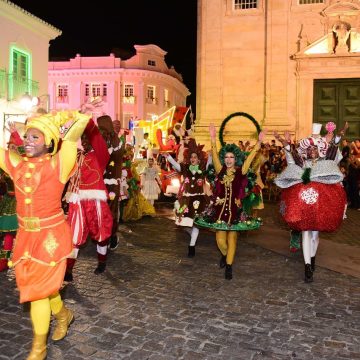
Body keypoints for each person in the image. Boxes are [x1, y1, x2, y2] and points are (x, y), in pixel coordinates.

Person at [0, 100, 98, 360]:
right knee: (41, 288)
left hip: (50, 237)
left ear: (49, 141)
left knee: (37, 294)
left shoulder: (59, 164)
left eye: (35, 136)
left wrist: (82, 115)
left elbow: (72, 138)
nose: (28, 140)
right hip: (26, 237)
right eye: (26, 136)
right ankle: (65, 315)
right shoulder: (16, 164)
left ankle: (38, 349)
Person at [274, 122, 348, 283]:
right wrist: (285, 143)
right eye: (309, 149)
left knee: (315, 235)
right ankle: (307, 265)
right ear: (306, 152)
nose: (312, 151)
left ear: (320, 150)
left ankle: (312, 258)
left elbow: (334, 151)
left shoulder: (326, 163)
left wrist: (338, 136)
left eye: (315, 149)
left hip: (321, 206)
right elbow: (291, 159)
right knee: (306, 232)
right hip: (304, 206)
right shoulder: (302, 164)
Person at [195, 124, 263, 280]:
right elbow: (215, 153)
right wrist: (212, 138)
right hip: (219, 210)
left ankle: (229, 267)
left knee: (232, 239)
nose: (229, 159)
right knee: (220, 240)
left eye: (232, 157)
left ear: (236, 158)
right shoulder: (220, 170)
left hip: (236, 210)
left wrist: (258, 144)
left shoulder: (241, 171)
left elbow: (251, 157)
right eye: (226, 157)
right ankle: (225, 256)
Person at [64, 118, 113, 281]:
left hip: (94, 200)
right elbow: (61, 146)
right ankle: (69, 270)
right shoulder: (76, 155)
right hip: (76, 200)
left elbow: (97, 139)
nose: (85, 141)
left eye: (87, 138)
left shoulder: (100, 155)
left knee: (100, 232)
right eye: (83, 138)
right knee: (74, 235)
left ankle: (102, 262)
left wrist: (88, 121)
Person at [165, 139, 208, 257]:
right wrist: (169, 157)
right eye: (191, 157)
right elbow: (177, 166)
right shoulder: (185, 168)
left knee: (196, 224)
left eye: (195, 157)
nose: (193, 159)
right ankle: (191, 235)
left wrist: (212, 152)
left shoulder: (203, 169)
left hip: (198, 200)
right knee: (183, 224)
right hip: (186, 200)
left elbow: (210, 164)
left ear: (199, 159)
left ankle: (191, 246)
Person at [97, 116, 125, 250]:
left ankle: (111, 235)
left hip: (113, 183)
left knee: (111, 210)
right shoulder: (101, 142)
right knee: (100, 209)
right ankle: (103, 236)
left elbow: (117, 152)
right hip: (99, 183)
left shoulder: (117, 142)